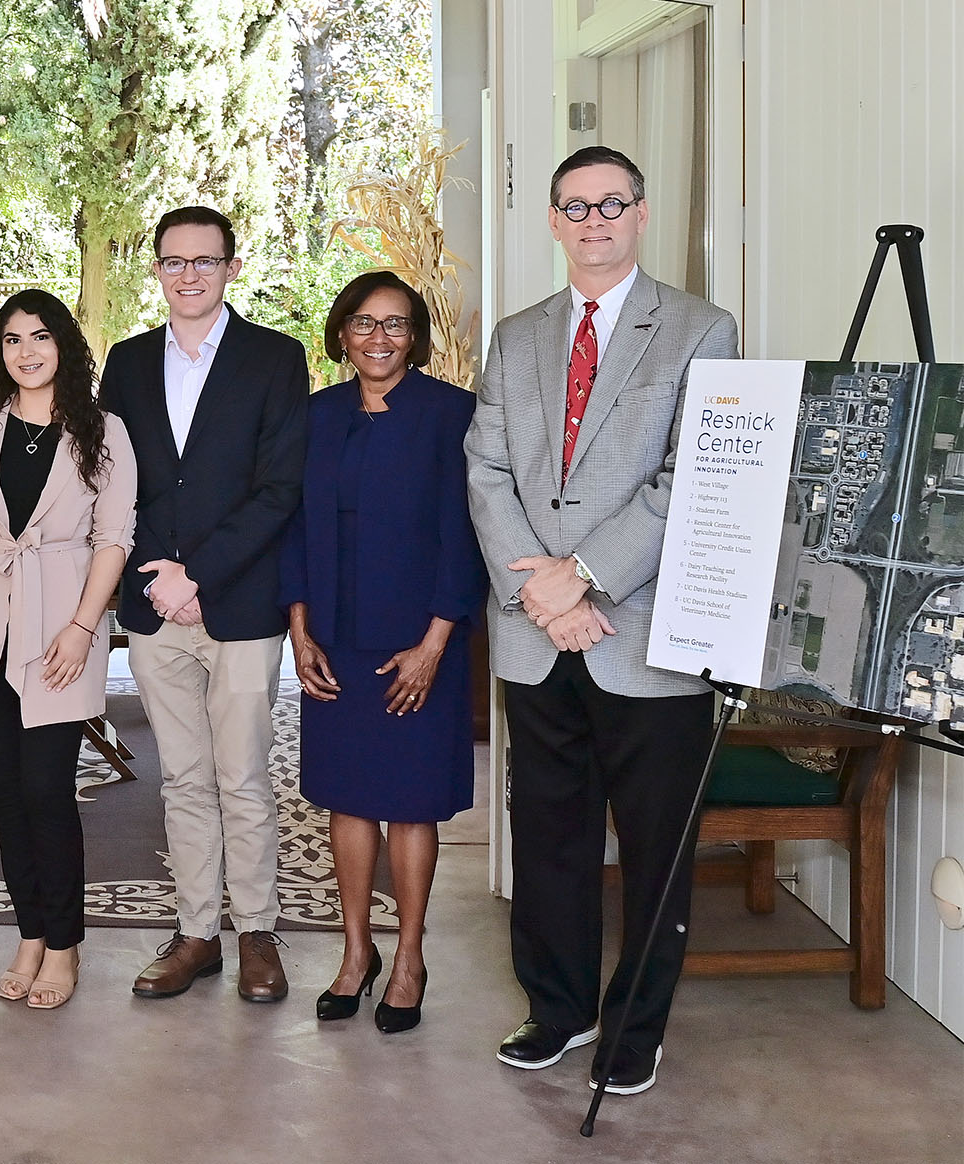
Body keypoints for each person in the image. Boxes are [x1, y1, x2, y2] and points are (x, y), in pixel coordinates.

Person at [466, 145, 738, 1095]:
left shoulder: (701, 330)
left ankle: (636, 1028)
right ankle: (559, 1009)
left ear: (642, 213)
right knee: (548, 831)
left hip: (647, 635)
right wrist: (541, 592)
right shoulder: (517, 334)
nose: (594, 222)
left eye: (611, 204)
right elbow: (487, 471)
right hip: (533, 633)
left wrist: (582, 578)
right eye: (575, 208)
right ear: (553, 221)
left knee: (657, 841)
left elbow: (689, 478)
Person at [99, 206, 308, 1003]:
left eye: (205, 261)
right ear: (156, 270)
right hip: (154, 606)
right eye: (174, 261)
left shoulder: (274, 358)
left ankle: (257, 932)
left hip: (242, 607)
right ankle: (196, 935)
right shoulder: (124, 362)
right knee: (181, 780)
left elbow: (280, 488)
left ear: (230, 268)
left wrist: (199, 576)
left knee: (245, 777)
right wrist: (162, 578)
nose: (189, 275)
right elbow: (114, 479)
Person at [279, 271, 485, 1034]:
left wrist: (435, 644)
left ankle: (410, 958)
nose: (378, 338)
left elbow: (468, 534)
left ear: (416, 338)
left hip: (418, 639)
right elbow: (295, 526)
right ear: (341, 334)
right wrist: (299, 631)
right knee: (348, 797)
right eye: (364, 324)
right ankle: (356, 952)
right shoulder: (318, 416)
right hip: (333, 636)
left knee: (411, 801)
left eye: (395, 325)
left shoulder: (454, 414)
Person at [0, 290, 137, 1011]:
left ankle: (64, 944)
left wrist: (84, 626)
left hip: (62, 625)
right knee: (8, 794)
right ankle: (29, 933)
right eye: (12, 340)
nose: (26, 352)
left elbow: (113, 537)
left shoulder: (104, 431)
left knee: (49, 792)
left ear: (65, 345)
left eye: (40, 337)